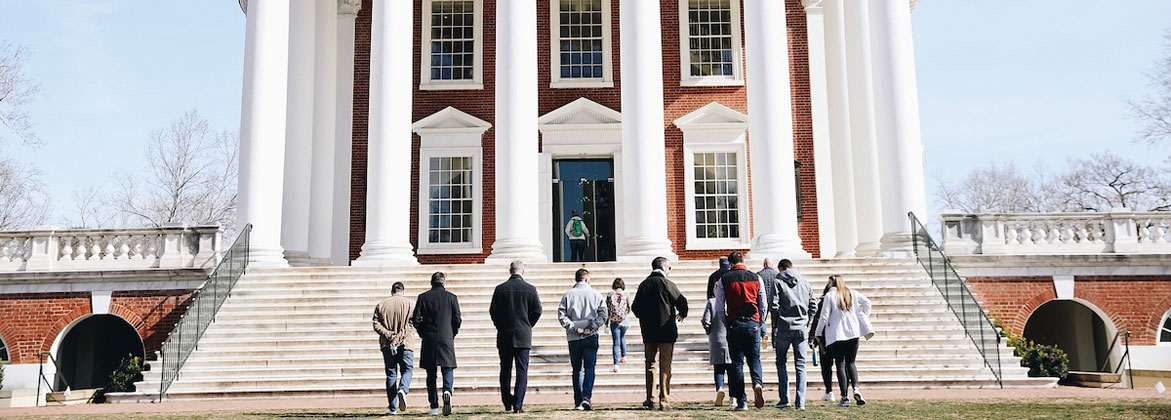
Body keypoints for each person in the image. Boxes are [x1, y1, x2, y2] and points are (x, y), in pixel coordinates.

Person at [632, 257, 688, 410]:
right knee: (665, 364)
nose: (669, 271)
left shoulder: (644, 284)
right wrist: (682, 313)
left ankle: (651, 397)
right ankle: (664, 398)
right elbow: (681, 301)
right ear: (663, 267)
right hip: (666, 330)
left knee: (650, 364)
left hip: (649, 331)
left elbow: (635, 307)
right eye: (669, 268)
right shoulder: (667, 284)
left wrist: (644, 318)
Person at [714, 251, 767, 410]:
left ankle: (742, 400)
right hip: (753, 323)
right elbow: (763, 303)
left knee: (737, 364)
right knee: (754, 359)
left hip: (734, 323)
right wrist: (760, 321)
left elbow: (719, 307)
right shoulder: (756, 277)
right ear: (743, 261)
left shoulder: (724, 279)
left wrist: (726, 322)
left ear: (730, 264)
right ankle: (757, 384)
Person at [489, 261, 542, 414]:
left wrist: (500, 325)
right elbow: (537, 310)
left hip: (505, 334)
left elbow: (493, 311)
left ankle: (507, 402)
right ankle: (518, 404)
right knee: (521, 371)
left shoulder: (500, 289)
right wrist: (528, 324)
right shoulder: (530, 289)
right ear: (522, 271)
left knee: (505, 370)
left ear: (510, 271)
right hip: (523, 335)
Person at [814, 275, 872, 408]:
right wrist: (863, 317)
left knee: (840, 364)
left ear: (831, 284)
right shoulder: (852, 293)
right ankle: (856, 389)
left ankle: (845, 397)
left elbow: (824, 316)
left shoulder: (829, 296)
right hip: (853, 333)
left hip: (837, 334)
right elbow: (868, 303)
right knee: (851, 362)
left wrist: (818, 333)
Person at [411, 272, 463, 416]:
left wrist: (423, 333)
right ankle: (447, 390)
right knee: (448, 369)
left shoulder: (423, 297)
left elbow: (415, 320)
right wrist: (452, 332)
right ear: (444, 282)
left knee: (431, 374)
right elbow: (457, 319)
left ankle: (434, 406)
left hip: (429, 339)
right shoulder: (452, 298)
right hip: (446, 338)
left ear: (431, 282)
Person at [557, 268, 608, 410]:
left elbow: (562, 316)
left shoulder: (568, 295)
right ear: (586, 278)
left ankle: (578, 400)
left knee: (577, 369)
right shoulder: (596, 294)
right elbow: (603, 315)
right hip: (590, 335)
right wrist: (591, 327)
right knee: (589, 368)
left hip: (574, 337)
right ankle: (586, 397)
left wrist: (573, 327)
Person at [771, 259, 816, 410]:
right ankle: (800, 401)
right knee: (801, 365)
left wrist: (777, 323)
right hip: (801, 327)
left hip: (784, 326)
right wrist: (806, 321)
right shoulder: (805, 282)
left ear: (780, 268)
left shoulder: (778, 282)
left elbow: (774, 305)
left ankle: (784, 398)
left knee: (781, 362)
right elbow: (813, 306)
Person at [373, 281, 416, 416]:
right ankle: (403, 389)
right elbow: (411, 324)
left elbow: (376, 324)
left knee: (391, 374)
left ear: (392, 291)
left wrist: (390, 335)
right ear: (402, 291)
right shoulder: (410, 304)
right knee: (407, 369)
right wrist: (399, 337)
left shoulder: (381, 305)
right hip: (406, 344)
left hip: (387, 344)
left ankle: (392, 408)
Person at [701, 286, 733, 407]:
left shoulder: (712, 302)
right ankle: (733, 397)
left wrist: (709, 331)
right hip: (730, 338)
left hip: (716, 338)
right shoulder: (731, 302)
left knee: (718, 367)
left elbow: (706, 320)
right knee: (732, 369)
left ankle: (720, 388)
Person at [808, 281, 836, 403]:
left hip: (824, 337)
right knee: (842, 365)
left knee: (826, 366)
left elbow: (818, 320)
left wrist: (813, 336)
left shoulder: (823, 303)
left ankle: (829, 391)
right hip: (840, 336)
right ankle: (845, 391)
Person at [606, 278, 631, 373]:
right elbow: (629, 307)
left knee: (616, 342)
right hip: (624, 321)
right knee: (622, 337)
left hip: (614, 321)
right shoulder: (626, 294)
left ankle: (616, 364)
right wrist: (624, 315)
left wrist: (607, 322)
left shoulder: (610, 295)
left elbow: (607, 308)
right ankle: (624, 357)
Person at [757, 259, 781, 348]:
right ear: (772, 264)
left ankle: (764, 334)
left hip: (763, 300)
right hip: (775, 300)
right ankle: (775, 343)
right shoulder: (777, 275)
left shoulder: (759, 274)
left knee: (761, 319)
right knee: (775, 323)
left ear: (764, 264)